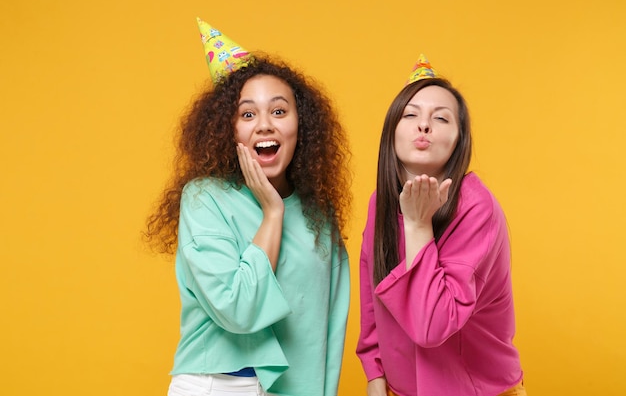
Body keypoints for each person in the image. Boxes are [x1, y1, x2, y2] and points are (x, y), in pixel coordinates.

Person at [144, 19, 351, 396]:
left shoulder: (319, 215)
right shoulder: (205, 198)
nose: (264, 126)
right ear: (230, 130)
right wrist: (272, 214)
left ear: (300, 126)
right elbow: (237, 308)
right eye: (248, 114)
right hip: (216, 386)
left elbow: (327, 326)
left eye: (279, 111)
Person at [356, 55, 526, 396]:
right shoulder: (382, 201)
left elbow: (432, 326)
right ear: (391, 132)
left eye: (441, 118)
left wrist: (419, 226)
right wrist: (375, 377)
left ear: (459, 139)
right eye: (411, 115)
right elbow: (372, 295)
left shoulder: (477, 208)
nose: (424, 126)